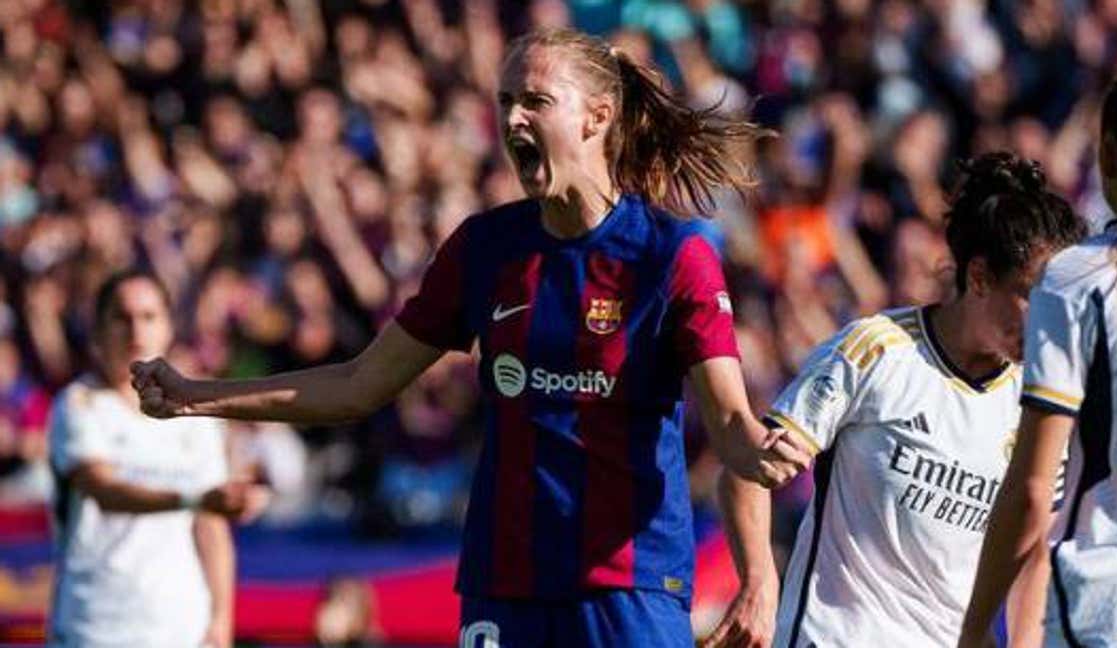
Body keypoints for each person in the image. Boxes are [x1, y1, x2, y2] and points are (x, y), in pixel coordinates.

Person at [130, 27, 810, 648]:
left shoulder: (671, 254)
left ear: (596, 118)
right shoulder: (486, 249)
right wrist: (197, 396)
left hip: (627, 587)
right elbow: (358, 383)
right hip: (504, 582)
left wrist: (760, 521)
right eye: (506, 99)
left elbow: (728, 421)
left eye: (536, 101)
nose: (513, 117)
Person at [714, 152, 1083, 648]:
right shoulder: (879, 351)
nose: (1048, 323)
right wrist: (760, 583)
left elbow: (1032, 548)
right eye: (1031, 298)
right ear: (978, 277)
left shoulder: (1038, 401)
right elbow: (746, 468)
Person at [960, 58, 1117, 648]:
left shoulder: (1080, 279)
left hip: (1111, 608)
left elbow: (1033, 488)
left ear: (1111, 157)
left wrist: (972, 630)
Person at [46, 269, 270, 648]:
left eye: (149, 317)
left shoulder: (195, 413)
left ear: (168, 326)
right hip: (95, 624)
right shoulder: (79, 405)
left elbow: (211, 528)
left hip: (179, 626)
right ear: (98, 332)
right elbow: (104, 490)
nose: (136, 331)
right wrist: (193, 499)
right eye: (122, 317)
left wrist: (220, 622)